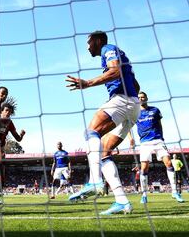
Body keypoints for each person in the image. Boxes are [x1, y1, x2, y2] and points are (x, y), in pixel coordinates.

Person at [66, 30, 140, 215]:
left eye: (89, 43)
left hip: (122, 100)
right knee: (105, 153)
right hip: (133, 104)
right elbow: (136, 85)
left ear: (97, 41)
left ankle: (95, 180)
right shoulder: (117, 55)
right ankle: (122, 202)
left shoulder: (108, 48)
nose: (88, 47)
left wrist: (88, 83)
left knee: (92, 132)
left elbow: (115, 71)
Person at [128, 91, 184, 203]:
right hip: (144, 143)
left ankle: (174, 192)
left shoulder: (155, 110)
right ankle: (144, 195)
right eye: (139, 98)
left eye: (143, 97)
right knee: (144, 168)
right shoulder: (135, 113)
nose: (141, 99)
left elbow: (160, 124)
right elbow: (128, 126)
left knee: (168, 163)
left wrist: (162, 138)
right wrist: (130, 138)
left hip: (158, 140)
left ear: (146, 98)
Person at [0, 97, 26, 189]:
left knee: (1, 167)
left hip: (1, 147)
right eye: (6, 110)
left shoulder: (9, 123)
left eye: (10, 111)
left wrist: (21, 135)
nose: (8, 113)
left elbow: (17, 138)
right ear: (1, 111)